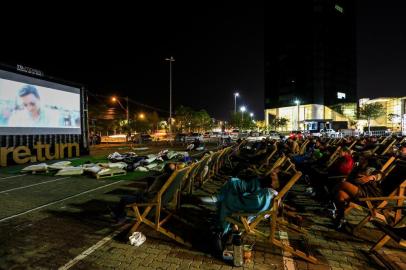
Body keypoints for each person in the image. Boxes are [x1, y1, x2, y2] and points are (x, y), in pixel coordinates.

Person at [110, 162, 177, 224]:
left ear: (164, 170)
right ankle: (117, 208)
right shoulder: (172, 180)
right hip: (157, 202)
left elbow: (149, 194)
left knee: (124, 199)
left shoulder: (161, 178)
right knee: (136, 194)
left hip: (147, 204)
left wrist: (142, 194)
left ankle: (120, 217)